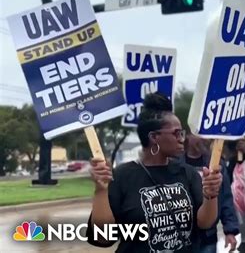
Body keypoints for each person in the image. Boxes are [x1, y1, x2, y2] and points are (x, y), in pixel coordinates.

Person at [87, 93, 222, 253]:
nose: (182, 139)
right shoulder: (122, 176)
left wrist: (210, 195)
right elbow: (103, 237)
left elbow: (205, 223)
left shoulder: (188, 173)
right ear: (154, 137)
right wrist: (101, 190)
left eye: (182, 133)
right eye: (176, 133)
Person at [180, 133, 239, 253]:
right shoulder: (175, 164)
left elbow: (226, 198)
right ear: (188, 135)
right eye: (198, 134)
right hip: (181, 238)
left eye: (205, 135)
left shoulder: (216, 164)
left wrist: (230, 231)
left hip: (208, 237)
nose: (203, 139)